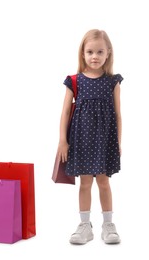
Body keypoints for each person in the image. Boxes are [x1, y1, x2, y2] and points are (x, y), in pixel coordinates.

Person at [57, 29, 123, 245]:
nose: (95, 56)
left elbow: (118, 114)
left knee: (103, 181)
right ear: (83, 53)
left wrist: (118, 143)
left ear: (108, 53)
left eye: (100, 51)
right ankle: (85, 225)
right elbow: (65, 112)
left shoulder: (112, 81)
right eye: (90, 51)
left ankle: (108, 225)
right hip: (81, 139)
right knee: (85, 183)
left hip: (104, 141)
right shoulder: (74, 81)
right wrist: (62, 141)